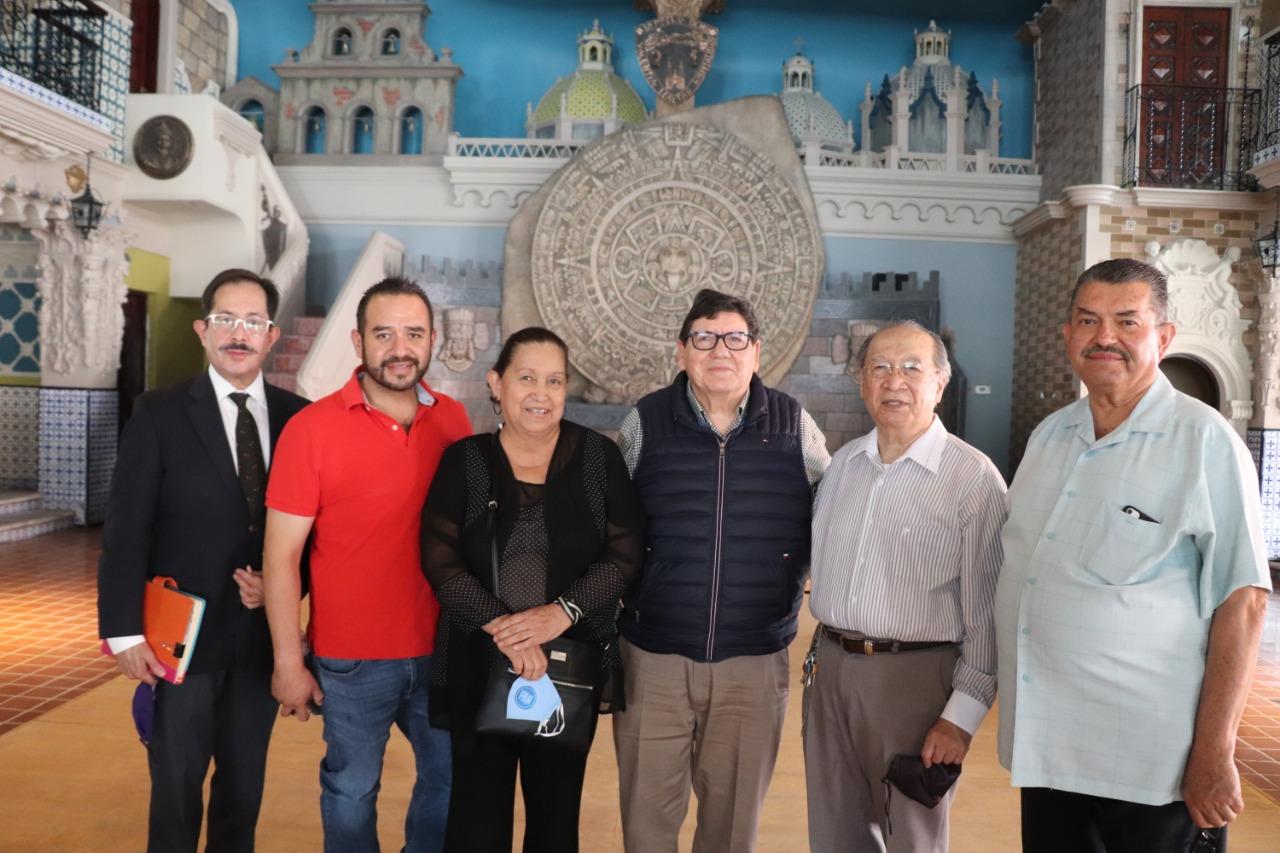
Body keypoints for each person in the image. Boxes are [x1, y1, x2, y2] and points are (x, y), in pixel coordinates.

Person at [997, 258, 1271, 853]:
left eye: (1127, 321)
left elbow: (1243, 602)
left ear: (1163, 338)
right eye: (1088, 320)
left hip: (1153, 768)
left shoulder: (1204, 441)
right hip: (1049, 754)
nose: (1105, 337)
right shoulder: (1050, 437)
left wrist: (1215, 752)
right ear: (1068, 334)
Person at [612, 288, 831, 853]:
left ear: (756, 351)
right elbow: (609, 523)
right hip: (653, 658)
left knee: (732, 829)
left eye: (735, 338)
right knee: (645, 824)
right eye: (704, 338)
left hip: (752, 662)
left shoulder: (794, 425)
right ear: (682, 350)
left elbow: (834, 512)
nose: (720, 351)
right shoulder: (644, 422)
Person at [97, 268, 309, 852]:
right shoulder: (159, 413)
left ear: (272, 335)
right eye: (225, 320)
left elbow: (316, 533)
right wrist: (122, 632)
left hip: (259, 638)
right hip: (179, 640)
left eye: (253, 322)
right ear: (202, 329)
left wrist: (286, 588)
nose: (239, 334)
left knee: (243, 788)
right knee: (176, 785)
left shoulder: (299, 418)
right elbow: (126, 529)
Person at [262, 277, 472, 853]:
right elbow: (281, 556)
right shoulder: (311, 430)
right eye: (384, 334)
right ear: (358, 342)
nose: (400, 349)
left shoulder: (453, 420)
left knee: (450, 781)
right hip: (351, 660)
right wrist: (288, 661)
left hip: (442, 648)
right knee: (351, 790)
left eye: (413, 334)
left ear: (432, 340)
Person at [420, 326, 645, 853]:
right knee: (476, 826)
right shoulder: (466, 461)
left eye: (554, 381)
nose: (541, 394)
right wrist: (510, 632)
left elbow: (626, 552)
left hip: (567, 671)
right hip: (479, 665)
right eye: (526, 378)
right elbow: (440, 559)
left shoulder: (598, 459)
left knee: (555, 822)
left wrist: (561, 613)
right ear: (496, 384)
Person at [804, 320, 1007, 852]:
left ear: (941, 383)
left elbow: (988, 616)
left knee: (912, 838)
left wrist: (960, 719)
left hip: (916, 684)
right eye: (880, 367)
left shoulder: (973, 479)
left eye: (912, 368)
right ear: (862, 382)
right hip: (831, 674)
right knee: (835, 834)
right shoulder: (843, 466)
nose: (894, 380)